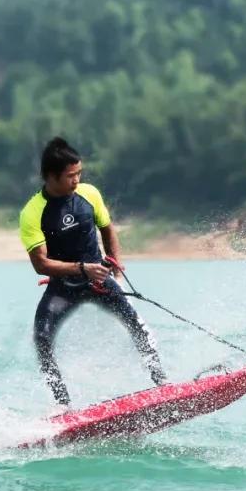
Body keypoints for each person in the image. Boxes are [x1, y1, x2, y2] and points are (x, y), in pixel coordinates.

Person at [19, 137, 167, 406]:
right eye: (70, 175)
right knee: (41, 339)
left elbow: (107, 228)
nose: (77, 180)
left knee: (135, 324)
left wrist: (114, 264)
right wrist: (81, 269)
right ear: (51, 176)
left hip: (99, 281)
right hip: (63, 289)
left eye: (79, 174)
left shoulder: (89, 194)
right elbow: (40, 264)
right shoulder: (32, 213)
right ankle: (64, 407)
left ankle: (163, 384)